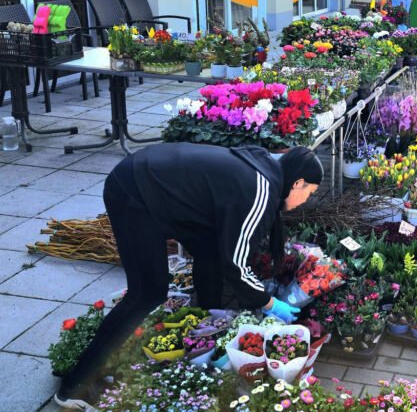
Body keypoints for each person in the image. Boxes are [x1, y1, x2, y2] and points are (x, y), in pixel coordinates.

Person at [54, 144, 324, 410]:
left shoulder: (268, 168)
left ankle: (202, 339)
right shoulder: (261, 190)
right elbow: (237, 264)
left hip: (156, 183)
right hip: (135, 191)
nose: (307, 200)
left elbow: (225, 251)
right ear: (297, 182)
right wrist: (268, 303)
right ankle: (74, 386)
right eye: (310, 193)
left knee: (209, 253)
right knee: (146, 293)